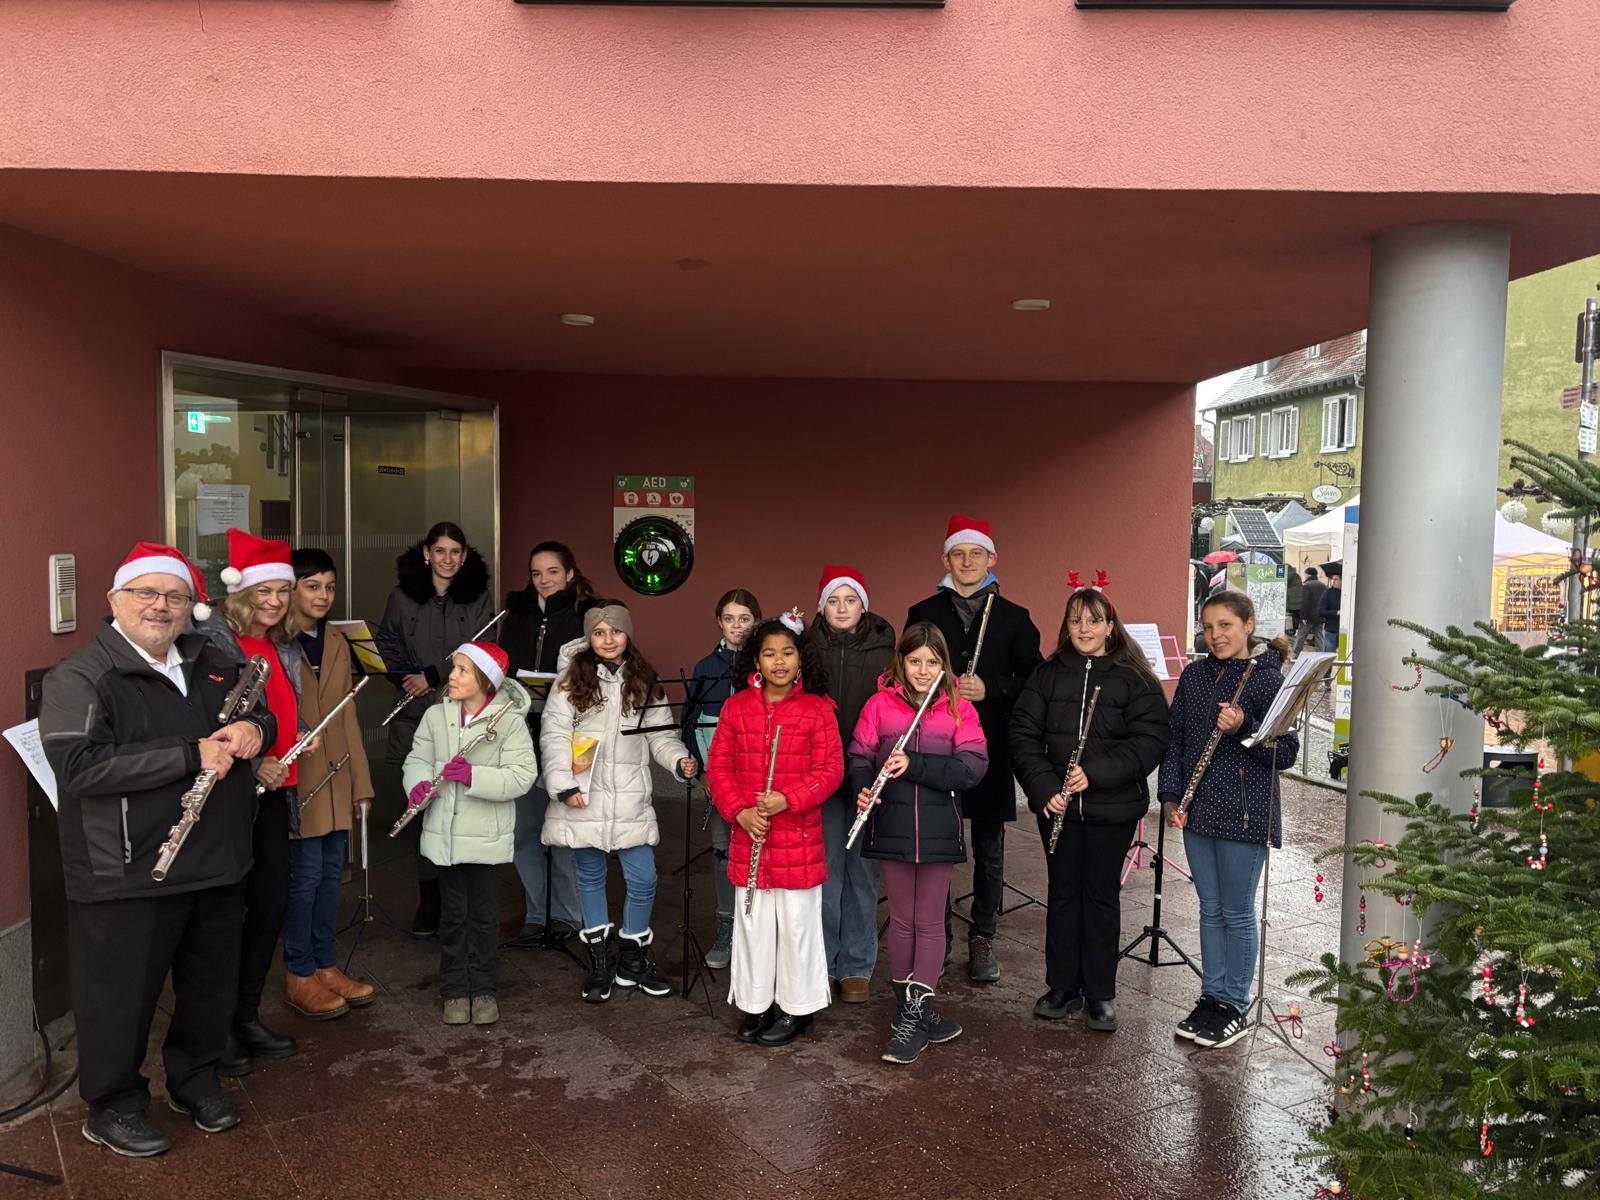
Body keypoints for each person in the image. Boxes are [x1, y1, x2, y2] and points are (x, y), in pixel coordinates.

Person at [41, 544, 274, 1156]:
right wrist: (188, 754)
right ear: (114, 600)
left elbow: (262, 715)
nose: (159, 605)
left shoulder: (215, 658)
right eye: (144, 592)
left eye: (173, 595)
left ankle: (194, 1080)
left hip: (217, 859)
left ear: (192, 605)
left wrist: (257, 730)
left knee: (207, 988)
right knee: (118, 997)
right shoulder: (82, 675)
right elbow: (78, 767)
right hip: (126, 868)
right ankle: (113, 1104)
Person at [1009, 576, 1170, 1033]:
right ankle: (1061, 987)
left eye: (1093, 620)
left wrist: (1094, 773)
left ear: (1110, 625)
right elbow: (1022, 736)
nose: (1084, 628)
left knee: (1099, 897)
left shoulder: (1133, 678)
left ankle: (1100, 993)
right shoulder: (1048, 673)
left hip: (1110, 808)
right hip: (1057, 807)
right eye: (1076, 620)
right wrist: (1044, 790)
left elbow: (1150, 739)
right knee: (1062, 895)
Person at [196, 529, 316, 1077]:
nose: (273, 602)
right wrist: (254, 759)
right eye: (262, 592)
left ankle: (243, 1016)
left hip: (276, 792)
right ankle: (213, 1029)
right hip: (233, 795)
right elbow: (208, 725)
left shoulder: (282, 642)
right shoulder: (214, 641)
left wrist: (302, 733)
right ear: (238, 592)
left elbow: (280, 707)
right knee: (225, 915)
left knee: (269, 904)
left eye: (281, 592)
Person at [906, 514, 1042, 982]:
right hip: (934, 746)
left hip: (988, 749)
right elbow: (905, 673)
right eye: (959, 554)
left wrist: (995, 690)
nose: (968, 562)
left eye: (977, 554)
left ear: (992, 559)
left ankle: (984, 935)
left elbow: (1034, 679)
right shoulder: (922, 612)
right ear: (946, 559)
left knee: (989, 846)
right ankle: (935, 933)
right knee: (936, 844)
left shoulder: (1015, 618)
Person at [1158, 591, 1297, 1050]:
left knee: (1236, 911)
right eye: (1208, 626)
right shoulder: (1195, 675)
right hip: (1197, 809)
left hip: (1244, 810)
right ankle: (1211, 995)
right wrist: (1171, 796)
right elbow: (1175, 739)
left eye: (1225, 626)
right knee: (1209, 906)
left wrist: (1243, 731)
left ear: (1248, 625)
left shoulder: (1268, 680)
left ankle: (1234, 1001)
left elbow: (1288, 753)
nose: (1215, 635)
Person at [540, 600, 698, 1002]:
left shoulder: (644, 681)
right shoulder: (568, 684)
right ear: (589, 638)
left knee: (643, 877)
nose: (608, 639)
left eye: (616, 631)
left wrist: (678, 760)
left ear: (628, 634)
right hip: (582, 795)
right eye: (599, 632)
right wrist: (562, 783)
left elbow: (660, 735)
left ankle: (632, 959)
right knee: (590, 877)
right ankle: (598, 963)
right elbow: (554, 736)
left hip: (629, 796)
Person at [849, 623, 987, 1064]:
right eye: (914, 662)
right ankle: (911, 1008)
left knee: (929, 920)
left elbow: (972, 766)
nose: (923, 671)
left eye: (931, 662)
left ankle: (916, 1013)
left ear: (943, 665)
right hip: (889, 823)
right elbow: (859, 754)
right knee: (902, 919)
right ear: (901, 663)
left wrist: (915, 764)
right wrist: (862, 786)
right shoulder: (878, 705)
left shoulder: (958, 708)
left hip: (938, 828)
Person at [708, 613, 843, 1046]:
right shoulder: (736, 707)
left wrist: (789, 798)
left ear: (801, 658)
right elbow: (719, 767)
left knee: (798, 927)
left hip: (797, 838)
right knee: (754, 925)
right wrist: (737, 812)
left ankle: (796, 1009)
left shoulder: (818, 709)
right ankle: (756, 1003)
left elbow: (831, 770)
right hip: (751, 836)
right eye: (769, 654)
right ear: (756, 661)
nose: (779, 662)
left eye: (787, 653)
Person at [402, 642, 536, 1025]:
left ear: (485, 680)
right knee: (452, 916)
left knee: (483, 917)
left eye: (462, 670)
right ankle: (455, 991)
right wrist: (418, 784)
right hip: (444, 833)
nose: (452, 677)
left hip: (484, 837)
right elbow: (418, 759)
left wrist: (474, 776)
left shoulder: (507, 720)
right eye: (454, 669)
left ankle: (484, 989)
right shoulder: (435, 716)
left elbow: (522, 776)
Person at [378, 520, 494, 939]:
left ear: (465, 556)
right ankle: (430, 901)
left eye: (455, 552)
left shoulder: (479, 596)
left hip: (465, 715)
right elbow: (386, 642)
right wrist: (407, 676)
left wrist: (435, 674)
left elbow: (484, 650)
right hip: (416, 718)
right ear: (426, 553)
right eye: (439, 551)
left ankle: (459, 902)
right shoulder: (402, 595)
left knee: (463, 809)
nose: (447, 559)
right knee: (424, 810)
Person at [282, 548, 377, 1021]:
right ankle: (298, 972)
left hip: (337, 775)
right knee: (303, 882)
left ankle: (326, 965)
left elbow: (349, 715)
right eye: (312, 585)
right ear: (291, 588)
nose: (323, 595)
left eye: (330, 587)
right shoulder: (277, 641)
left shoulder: (338, 640)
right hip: (296, 777)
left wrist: (362, 780)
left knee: (329, 878)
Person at [804, 565, 894, 1003]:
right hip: (818, 772)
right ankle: (821, 958)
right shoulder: (804, 647)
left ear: (864, 604)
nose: (842, 608)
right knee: (824, 869)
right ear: (822, 606)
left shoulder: (886, 648)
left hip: (865, 772)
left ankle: (856, 964)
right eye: (833, 601)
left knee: (861, 869)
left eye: (850, 600)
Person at [497, 541, 590, 943]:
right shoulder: (516, 613)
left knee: (566, 830)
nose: (545, 581)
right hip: (521, 732)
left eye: (553, 572)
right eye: (537, 573)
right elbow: (500, 665)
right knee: (524, 830)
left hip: (570, 736)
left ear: (570, 573)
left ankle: (571, 915)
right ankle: (538, 910)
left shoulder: (587, 613)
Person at [685, 588, 763, 970]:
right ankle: (726, 929)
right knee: (723, 853)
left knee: (761, 852)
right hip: (720, 775)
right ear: (720, 622)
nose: (737, 627)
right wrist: (701, 769)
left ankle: (759, 932)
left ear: (756, 623)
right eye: (730, 619)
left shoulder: (767, 663)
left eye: (745, 619)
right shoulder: (704, 667)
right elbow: (691, 722)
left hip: (760, 774)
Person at [1292, 566, 1326, 656]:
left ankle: (1296, 654)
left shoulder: (1307, 585)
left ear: (1308, 575)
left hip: (1308, 617)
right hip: (1320, 616)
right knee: (1319, 636)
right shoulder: (1323, 585)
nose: (1304, 576)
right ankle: (1320, 654)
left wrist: (1303, 616)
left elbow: (1305, 602)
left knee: (1301, 636)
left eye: (1305, 574)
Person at [1320, 561, 1343, 654]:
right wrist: (1336, 612)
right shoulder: (1328, 593)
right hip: (1331, 630)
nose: (1333, 581)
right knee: (1329, 656)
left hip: (1344, 630)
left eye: (1336, 579)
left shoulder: (1347, 593)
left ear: (1342, 580)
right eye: (1332, 579)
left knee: (1343, 656)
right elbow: (1321, 611)